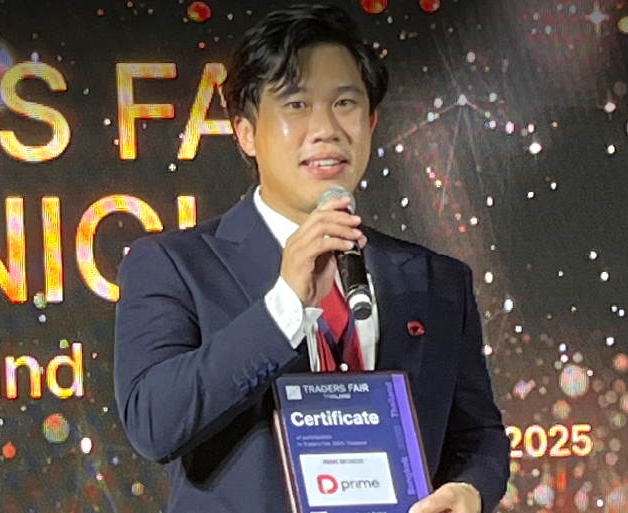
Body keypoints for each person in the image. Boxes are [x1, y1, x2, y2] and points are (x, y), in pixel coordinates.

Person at [113, 4, 508, 513]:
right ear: (246, 132)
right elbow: (153, 424)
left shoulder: (437, 280)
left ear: (371, 122)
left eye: (344, 103)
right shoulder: (174, 265)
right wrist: (282, 308)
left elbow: (477, 433)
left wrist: (470, 489)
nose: (325, 128)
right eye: (296, 105)